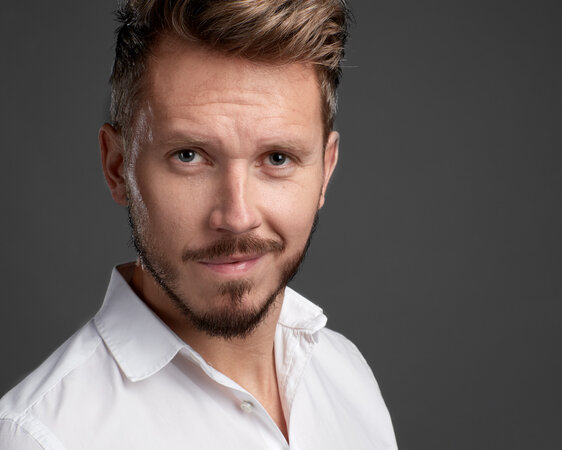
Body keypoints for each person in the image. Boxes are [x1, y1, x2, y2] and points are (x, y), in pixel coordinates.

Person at [0, 0, 397, 448]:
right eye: (188, 156)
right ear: (117, 167)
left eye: (277, 158)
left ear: (325, 171)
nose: (237, 218)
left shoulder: (348, 377)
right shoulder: (40, 437)